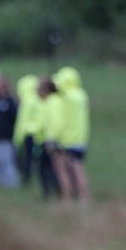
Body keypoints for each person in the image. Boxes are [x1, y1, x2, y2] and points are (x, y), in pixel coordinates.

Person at [53, 66, 91, 202]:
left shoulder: (64, 98)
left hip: (66, 138)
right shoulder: (81, 96)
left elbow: (59, 119)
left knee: (63, 170)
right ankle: (84, 196)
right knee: (79, 169)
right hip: (80, 139)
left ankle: (67, 197)